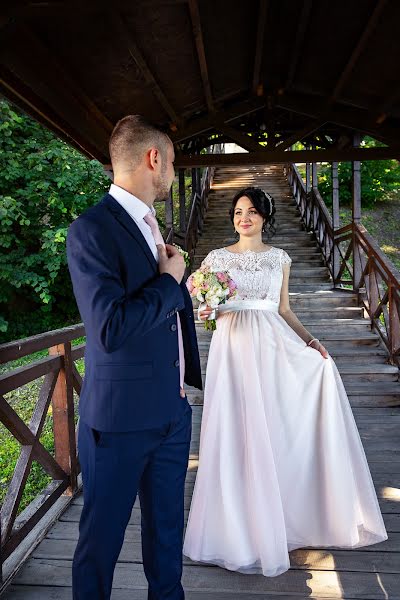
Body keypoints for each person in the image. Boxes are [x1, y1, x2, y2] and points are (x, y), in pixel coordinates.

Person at [183, 186, 387, 577]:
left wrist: (310, 341)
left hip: (273, 346)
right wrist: (207, 310)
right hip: (230, 348)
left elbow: (284, 309)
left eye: (252, 211)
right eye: (238, 211)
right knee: (233, 429)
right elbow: (207, 314)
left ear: (264, 217)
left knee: (274, 427)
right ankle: (236, 528)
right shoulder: (215, 258)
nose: (244, 217)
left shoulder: (279, 258)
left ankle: (283, 516)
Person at [67, 115, 202, 599]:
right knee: (99, 546)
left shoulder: (149, 225)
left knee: (167, 541)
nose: (172, 173)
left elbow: (161, 315)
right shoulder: (90, 230)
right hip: (118, 425)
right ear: (153, 159)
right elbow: (109, 329)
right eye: (171, 162)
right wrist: (170, 281)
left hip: (171, 413)